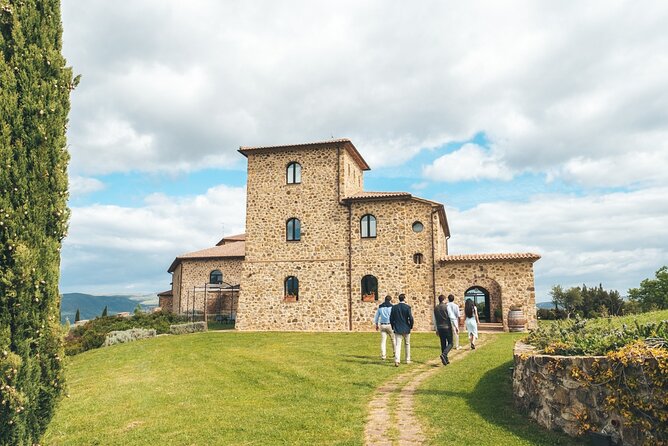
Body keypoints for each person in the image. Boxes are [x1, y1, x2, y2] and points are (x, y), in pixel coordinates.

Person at [390, 293, 413, 367]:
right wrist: (411, 326)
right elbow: (411, 318)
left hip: (397, 327)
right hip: (406, 327)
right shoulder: (407, 307)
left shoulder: (394, 307)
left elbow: (391, 318)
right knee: (407, 344)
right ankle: (407, 359)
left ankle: (397, 360)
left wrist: (393, 326)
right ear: (404, 299)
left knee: (398, 344)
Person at [373, 295, 395, 360]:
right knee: (393, 340)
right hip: (390, 325)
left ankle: (383, 355)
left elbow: (377, 317)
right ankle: (395, 353)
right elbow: (393, 316)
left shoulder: (380, 307)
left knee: (383, 341)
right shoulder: (392, 307)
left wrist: (376, 324)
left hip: (382, 325)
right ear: (390, 300)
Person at [434, 295, 453, 365]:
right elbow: (451, 317)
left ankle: (445, 360)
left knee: (443, 343)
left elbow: (435, 320)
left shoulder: (435, 308)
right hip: (447, 327)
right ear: (444, 299)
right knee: (451, 343)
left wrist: (436, 329)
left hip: (439, 327)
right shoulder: (446, 307)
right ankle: (444, 354)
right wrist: (455, 327)